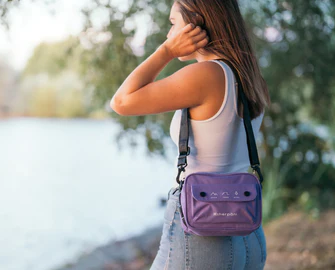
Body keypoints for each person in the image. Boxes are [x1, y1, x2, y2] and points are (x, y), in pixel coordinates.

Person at [110, 0, 271, 269]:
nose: (168, 34)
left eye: (173, 24)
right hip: (248, 231)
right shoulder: (250, 76)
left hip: (205, 227)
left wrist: (167, 51)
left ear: (196, 24)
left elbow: (121, 102)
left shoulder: (207, 74)